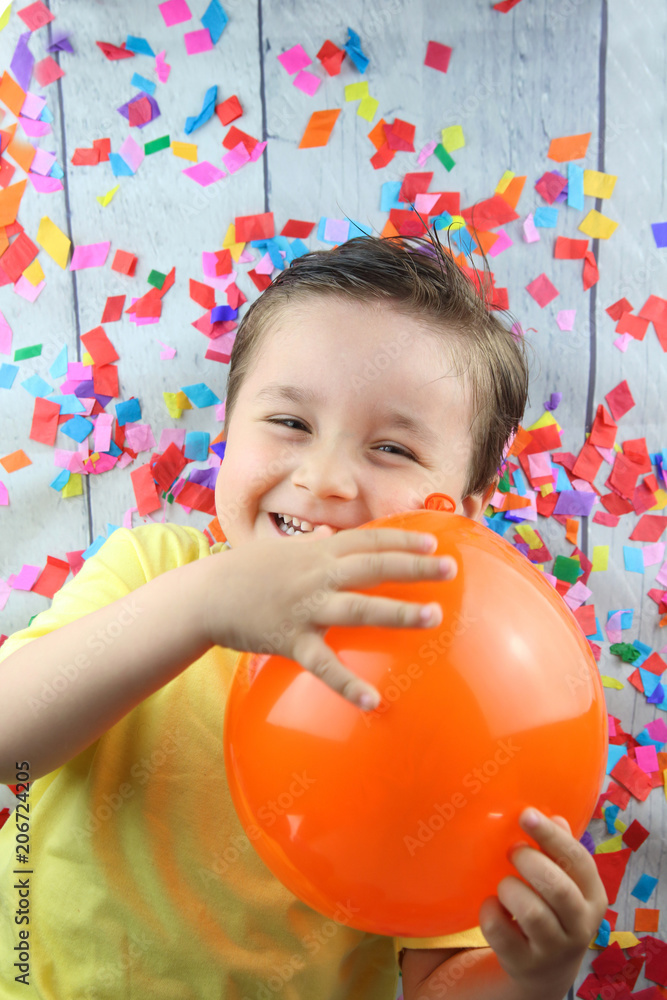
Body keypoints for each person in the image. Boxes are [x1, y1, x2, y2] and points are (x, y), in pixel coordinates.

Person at [0, 232, 607, 1000]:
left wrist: (534, 974)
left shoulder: (454, 683)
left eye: (390, 448)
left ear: (457, 513)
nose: (321, 478)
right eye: (288, 423)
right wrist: (202, 608)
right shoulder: (155, 572)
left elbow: (438, 985)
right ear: (227, 437)